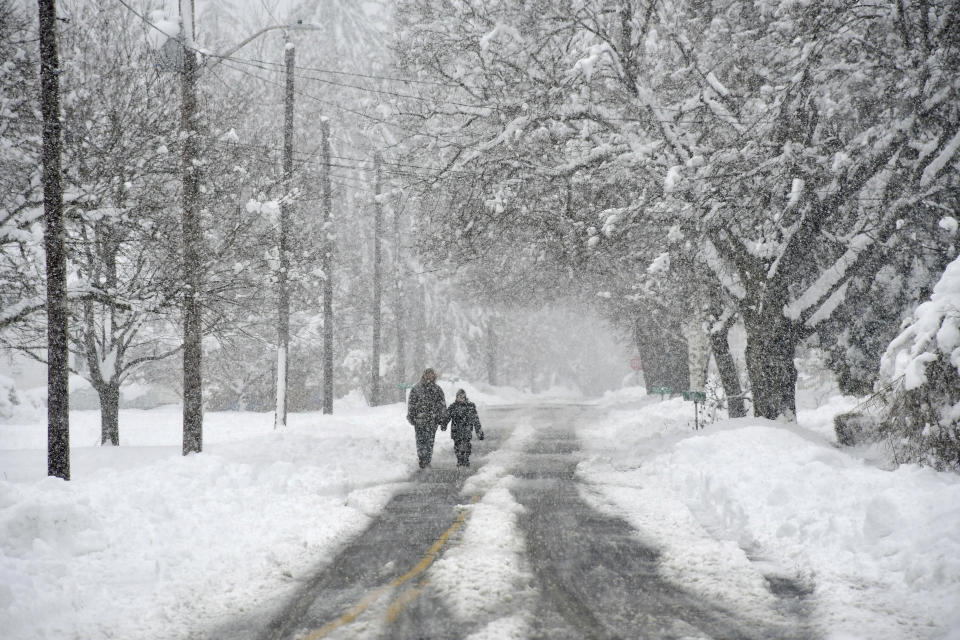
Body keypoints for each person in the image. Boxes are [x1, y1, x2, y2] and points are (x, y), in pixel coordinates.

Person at [406, 368, 447, 469]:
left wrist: (442, 419)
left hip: (432, 421)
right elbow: (411, 404)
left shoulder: (437, 389)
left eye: (432, 374)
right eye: (428, 374)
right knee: (420, 441)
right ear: (424, 375)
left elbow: (442, 405)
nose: (430, 376)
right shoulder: (416, 389)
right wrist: (411, 416)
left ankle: (427, 460)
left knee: (430, 441)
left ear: (434, 376)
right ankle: (422, 459)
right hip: (419, 421)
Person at [443, 389, 484, 468]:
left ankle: (466, 459)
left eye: (462, 397)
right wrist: (444, 424)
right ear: (456, 397)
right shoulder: (453, 406)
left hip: (467, 430)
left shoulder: (470, 406)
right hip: (456, 430)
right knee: (457, 446)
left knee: (466, 445)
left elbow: (475, 419)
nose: (460, 399)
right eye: (458, 397)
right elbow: (447, 417)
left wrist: (478, 431)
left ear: (465, 397)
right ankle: (460, 459)